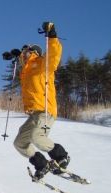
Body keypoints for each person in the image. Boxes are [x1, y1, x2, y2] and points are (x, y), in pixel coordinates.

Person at [13, 22, 70, 179]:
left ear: (35, 53)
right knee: (19, 142)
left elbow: (54, 54)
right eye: (24, 51)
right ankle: (41, 164)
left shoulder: (44, 63)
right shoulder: (26, 70)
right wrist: (16, 56)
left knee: (37, 137)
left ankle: (61, 156)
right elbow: (24, 62)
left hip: (46, 110)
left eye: (28, 51)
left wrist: (52, 36)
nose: (24, 53)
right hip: (34, 114)